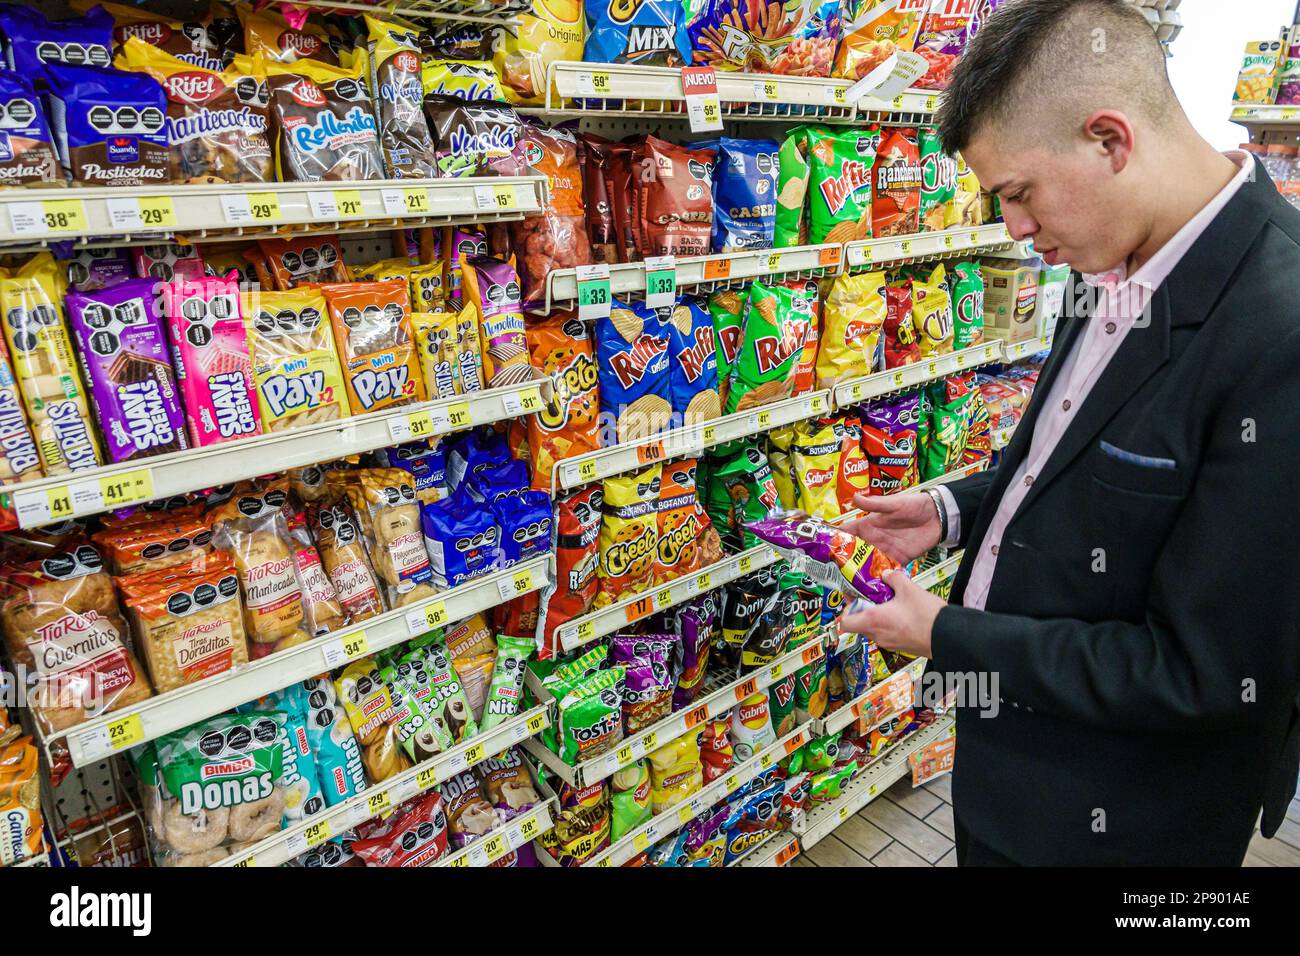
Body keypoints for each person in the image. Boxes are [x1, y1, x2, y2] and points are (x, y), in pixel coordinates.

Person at [841, 0, 1300, 866]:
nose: (1012, 228)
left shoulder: (1281, 333)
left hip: (1123, 818)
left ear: (1109, 140)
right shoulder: (1110, 254)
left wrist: (942, 633)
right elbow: (1069, 461)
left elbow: (1204, 673)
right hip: (1001, 775)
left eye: (1017, 193)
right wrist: (948, 511)